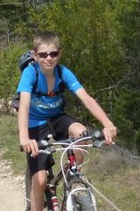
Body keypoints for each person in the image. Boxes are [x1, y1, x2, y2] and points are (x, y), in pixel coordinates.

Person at [17, 32, 117, 211]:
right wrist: (24, 137)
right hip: (34, 124)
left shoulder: (63, 72)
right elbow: (24, 104)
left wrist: (107, 124)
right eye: (43, 54)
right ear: (35, 55)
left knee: (81, 132)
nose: (48, 58)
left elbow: (86, 98)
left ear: (59, 54)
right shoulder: (30, 73)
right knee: (39, 181)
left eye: (53, 54)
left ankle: (72, 174)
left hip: (57, 118)